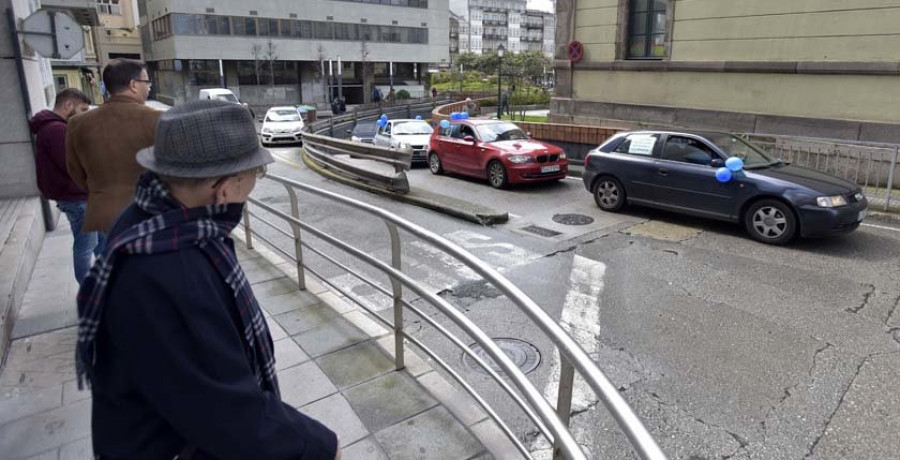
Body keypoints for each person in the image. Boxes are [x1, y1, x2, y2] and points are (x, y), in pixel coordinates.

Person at [75, 100, 341, 459]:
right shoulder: (171, 268)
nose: (254, 182)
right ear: (225, 188)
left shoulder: (146, 219)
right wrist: (320, 447)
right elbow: (224, 410)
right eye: (254, 174)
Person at [66, 58, 162, 241]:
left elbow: (75, 171)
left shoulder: (77, 123)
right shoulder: (158, 119)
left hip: (104, 214)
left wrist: (101, 192)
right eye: (147, 82)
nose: (149, 87)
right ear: (133, 85)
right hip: (149, 213)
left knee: (118, 262)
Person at [29, 88, 98, 284]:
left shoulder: (51, 127)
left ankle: (110, 285)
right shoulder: (57, 130)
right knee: (86, 245)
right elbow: (72, 165)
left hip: (73, 196)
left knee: (99, 240)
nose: (85, 115)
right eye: (83, 109)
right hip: (76, 197)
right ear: (68, 105)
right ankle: (89, 295)